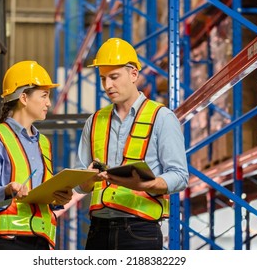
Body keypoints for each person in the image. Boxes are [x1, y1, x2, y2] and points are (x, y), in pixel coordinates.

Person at [75, 38, 189, 250]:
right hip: (98, 230)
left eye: (114, 77)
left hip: (139, 231)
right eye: (103, 79)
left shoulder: (161, 117)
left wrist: (149, 185)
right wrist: (88, 179)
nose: (108, 85)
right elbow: (79, 184)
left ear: (134, 74)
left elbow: (180, 175)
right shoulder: (94, 121)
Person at [0, 60, 72, 250]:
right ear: (24, 98)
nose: (49, 103)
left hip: (42, 242)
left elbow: (41, 197)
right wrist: (7, 189)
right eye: (44, 96)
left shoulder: (44, 143)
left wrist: (58, 198)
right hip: (8, 244)